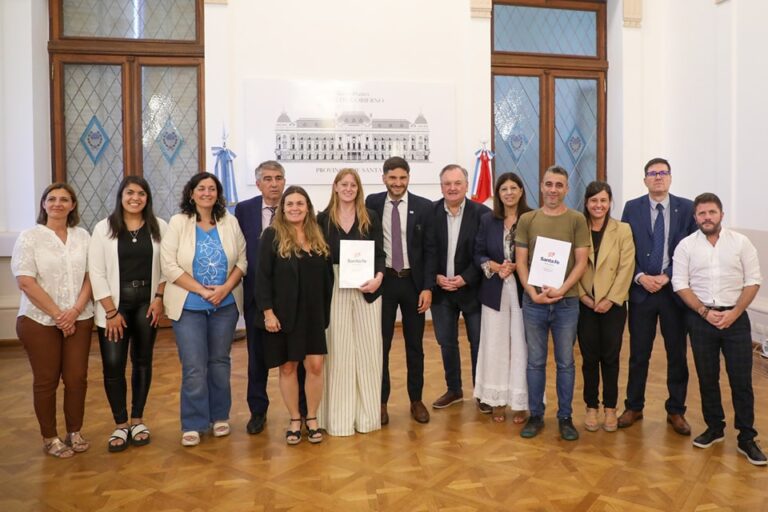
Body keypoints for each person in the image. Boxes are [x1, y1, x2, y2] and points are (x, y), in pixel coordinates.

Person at [672, 192, 766, 466]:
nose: (707, 217)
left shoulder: (741, 243)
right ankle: (714, 427)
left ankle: (746, 437)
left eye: (712, 212)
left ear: (721, 214)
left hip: (736, 320)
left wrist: (735, 313)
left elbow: (753, 281)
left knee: (741, 382)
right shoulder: (686, 246)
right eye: (702, 213)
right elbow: (680, 284)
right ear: (695, 217)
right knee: (707, 377)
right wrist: (704, 312)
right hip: (701, 319)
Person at [160, 172, 247, 447]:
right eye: (201, 188)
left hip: (225, 304)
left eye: (212, 188)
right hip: (189, 305)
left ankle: (220, 416)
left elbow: (243, 261)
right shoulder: (178, 222)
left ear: (218, 194)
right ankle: (194, 422)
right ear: (191, 193)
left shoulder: (229, 222)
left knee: (220, 363)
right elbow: (169, 266)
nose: (207, 193)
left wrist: (223, 289)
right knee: (195, 366)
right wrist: (201, 290)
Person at [12, 183, 94, 458]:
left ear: (72, 205)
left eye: (64, 199)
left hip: (80, 317)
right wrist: (59, 315)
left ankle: (75, 431)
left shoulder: (82, 236)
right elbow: (25, 280)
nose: (58, 203)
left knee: (76, 378)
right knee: (46, 380)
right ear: (43, 204)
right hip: (39, 321)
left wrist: (75, 311)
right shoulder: (29, 237)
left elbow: (91, 276)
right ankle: (50, 437)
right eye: (52, 199)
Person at [618, 157, 697, 435]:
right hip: (642, 293)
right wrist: (640, 276)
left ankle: (676, 410)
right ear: (645, 180)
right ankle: (634, 406)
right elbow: (625, 249)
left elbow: (692, 250)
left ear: (670, 177)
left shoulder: (687, 209)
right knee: (639, 354)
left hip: (674, 294)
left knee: (677, 354)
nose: (658, 177)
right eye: (653, 173)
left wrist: (668, 276)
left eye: (663, 173)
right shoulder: (632, 208)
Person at [89, 176, 167, 451]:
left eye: (141, 193)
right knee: (113, 365)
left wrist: (159, 298)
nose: (136, 198)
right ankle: (120, 424)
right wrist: (110, 312)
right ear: (121, 195)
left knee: (142, 361)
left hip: (148, 304)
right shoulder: (104, 229)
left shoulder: (160, 227)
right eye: (130, 192)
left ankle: (137, 419)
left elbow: (167, 266)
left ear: (147, 198)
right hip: (114, 306)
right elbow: (96, 272)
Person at [515, 165, 590, 441]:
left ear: (567, 189)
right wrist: (532, 292)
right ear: (541, 186)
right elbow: (521, 262)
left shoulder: (576, 219)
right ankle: (536, 415)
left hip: (567, 304)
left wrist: (562, 289)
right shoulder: (528, 219)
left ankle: (565, 417)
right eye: (549, 184)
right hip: (534, 302)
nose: (553, 190)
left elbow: (581, 261)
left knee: (565, 363)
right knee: (534, 362)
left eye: (559, 185)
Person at [256, 186, 333, 445]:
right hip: (284, 315)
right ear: (282, 208)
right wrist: (268, 313)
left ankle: (312, 418)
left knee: (315, 366)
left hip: (313, 314)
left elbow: (326, 279)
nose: (295, 208)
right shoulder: (271, 235)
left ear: (308, 207)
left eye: (300, 203)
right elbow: (262, 278)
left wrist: (325, 312)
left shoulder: (318, 235)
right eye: (290, 204)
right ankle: (294, 419)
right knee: (288, 367)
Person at [234, 160, 307, 435]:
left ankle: (300, 410)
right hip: (258, 296)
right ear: (258, 183)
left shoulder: (297, 209)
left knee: (296, 356)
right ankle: (258, 411)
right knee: (258, 358)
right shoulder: (244, 210)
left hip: (294, 299)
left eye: (278, 178)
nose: (274, 183)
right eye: (268, 179)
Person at [366, 157, 436, 425]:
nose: (398, 183)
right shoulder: (371, 203)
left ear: (409, 178)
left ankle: (416, 400)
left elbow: (430, 251)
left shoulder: (423, 207)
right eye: (393, 178)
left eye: (402, 178)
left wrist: (428, 287)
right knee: (380, 345)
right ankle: (381, 402)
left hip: (413, 284)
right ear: (384, 178)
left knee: (415, 346)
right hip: (383, 282)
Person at [317, 169, 385, 436]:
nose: (348, 189)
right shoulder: (322, 219)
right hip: (333, 288)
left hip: (367, 287)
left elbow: (380, 252)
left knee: (369, 351)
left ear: (358, 188)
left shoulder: (371, 217)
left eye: (353, 185)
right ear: (335, 187)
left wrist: (378, 278)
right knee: (338, 351)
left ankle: (367, 417)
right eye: (343, 184)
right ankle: (339, 419)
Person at [431, 164, 491, 412]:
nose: (452, 188)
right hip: (441, 291)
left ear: (467, 185)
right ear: (441, 186)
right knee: (446, 342)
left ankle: (482, 393)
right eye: (447, 183)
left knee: (478, 342)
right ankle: (454, 389)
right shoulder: (430, 212)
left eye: (457, 183)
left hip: (473, 289)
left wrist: (466, 277)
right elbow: (426, 250)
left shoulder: (482, 214)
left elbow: (486, 252)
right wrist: (435, 277)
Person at [576, 181, 635, 432]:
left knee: (610, 357)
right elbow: (571, 266)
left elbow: (626, 267)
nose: (598, 205)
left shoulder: (622, 230)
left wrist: (610, 299)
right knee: (589, 359)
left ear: (610, 203)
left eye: (603, 200)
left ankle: (611, 408)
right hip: (585, 303)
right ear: (586, 204)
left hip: (613, 305)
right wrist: (584, 297)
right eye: (593, 201)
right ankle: (591, 406)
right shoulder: (577, 228)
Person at [473, 172, 531, 423]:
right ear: (498, 194)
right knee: (494, 345)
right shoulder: (488, 220)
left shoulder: (532, 218)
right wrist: (497, 267)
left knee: (521, 345)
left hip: (523, 290)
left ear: (521, 191)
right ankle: (496, 399)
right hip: (494, 290)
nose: (508, 192)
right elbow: (478, 253)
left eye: (513, 188)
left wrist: (517, 266)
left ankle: (520, 402)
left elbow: (538, 253)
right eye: (503, 189)